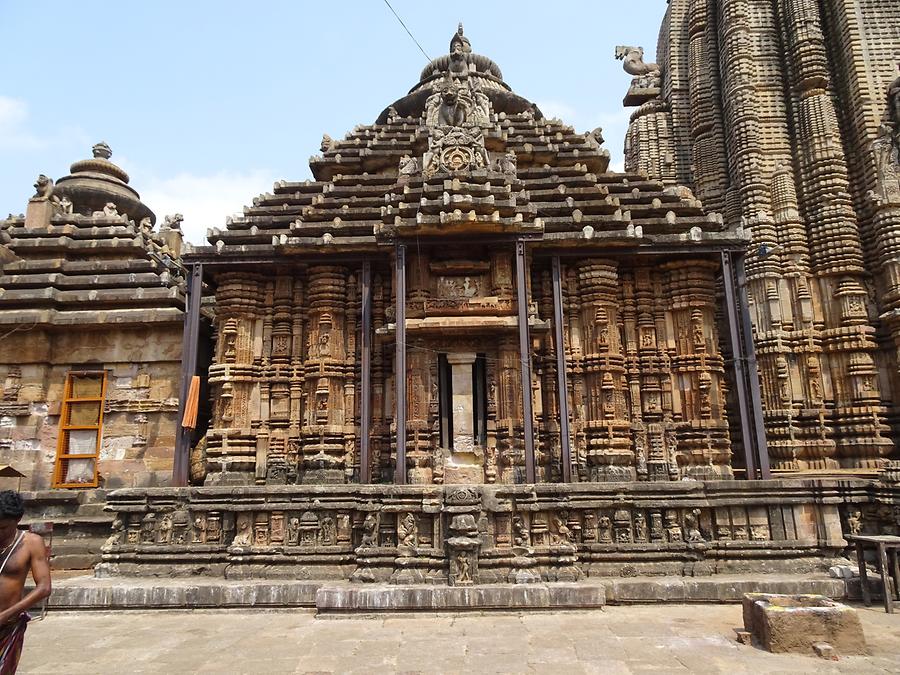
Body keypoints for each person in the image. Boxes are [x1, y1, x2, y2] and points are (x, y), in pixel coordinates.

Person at [0, 491, 51, 673]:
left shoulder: (31, 543)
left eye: (3, 528)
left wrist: (5, 615)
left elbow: (44, 587)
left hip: (7, 626)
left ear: (18, 519)